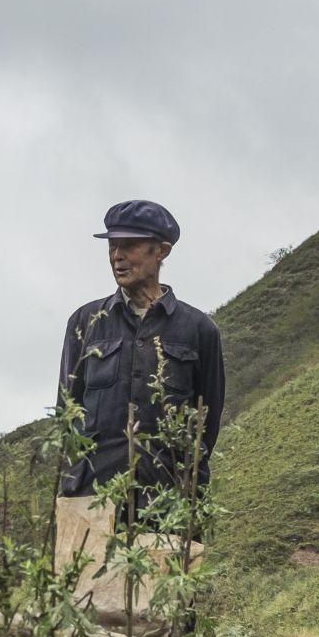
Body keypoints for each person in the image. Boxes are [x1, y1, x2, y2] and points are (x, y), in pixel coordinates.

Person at [55, 200, 226, 510]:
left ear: (161, 251)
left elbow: (206, 425)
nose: (117, 256)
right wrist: (71, 485)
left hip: (168, 505)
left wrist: (189, 481)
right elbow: (67, 413)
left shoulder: (199, 330)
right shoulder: (85, 322)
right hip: (90, 500)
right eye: (112, 246)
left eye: (130, 246)